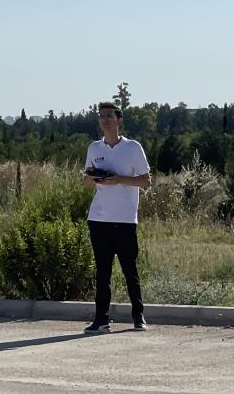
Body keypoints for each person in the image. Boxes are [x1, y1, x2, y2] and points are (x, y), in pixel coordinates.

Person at [82, 101, 152, 333]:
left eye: (110, 116)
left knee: (129, 270)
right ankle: (101, 319)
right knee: (102, 271)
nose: (105, 120)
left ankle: (138, 316)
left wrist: (119, 179)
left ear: (119, 120)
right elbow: (85, 180)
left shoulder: (132, 148)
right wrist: (95, 176)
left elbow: (146, 181)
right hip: (98, 218)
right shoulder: (94, 148)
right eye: (101, 116)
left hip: (124, 220)